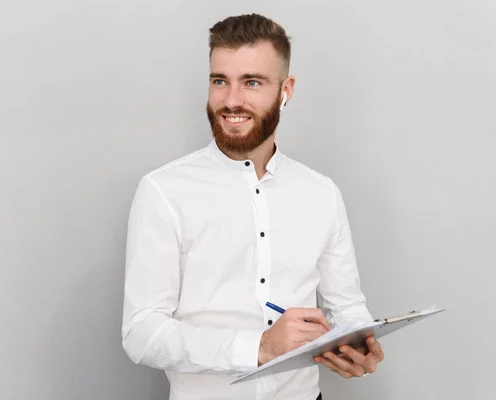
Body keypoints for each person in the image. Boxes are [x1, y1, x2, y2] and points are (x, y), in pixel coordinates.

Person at [121, 13, 384, 400]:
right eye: (219, 81)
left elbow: (347, 306)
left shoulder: (321, 192)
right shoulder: (163, 190)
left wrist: (357, 341)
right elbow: (141, 332)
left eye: (252, 82)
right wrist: (259, 346)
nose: (231, 101)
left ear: (285, 90)